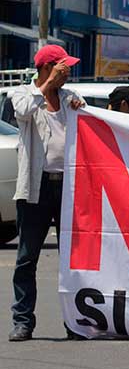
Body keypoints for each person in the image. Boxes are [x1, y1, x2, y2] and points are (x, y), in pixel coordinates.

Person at [9, 45, 86, 342]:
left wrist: (78, 105)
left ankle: (75, 321)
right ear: (48, 67)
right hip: (35, 188)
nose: (68, 74)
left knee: (72, 259)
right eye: (63, 68)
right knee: (27, 258)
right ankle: (23, 321)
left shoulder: (68, 98)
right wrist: (48, 84)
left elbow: (87, 122)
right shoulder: (23, 94)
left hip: (67, 186)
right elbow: (22, 112)